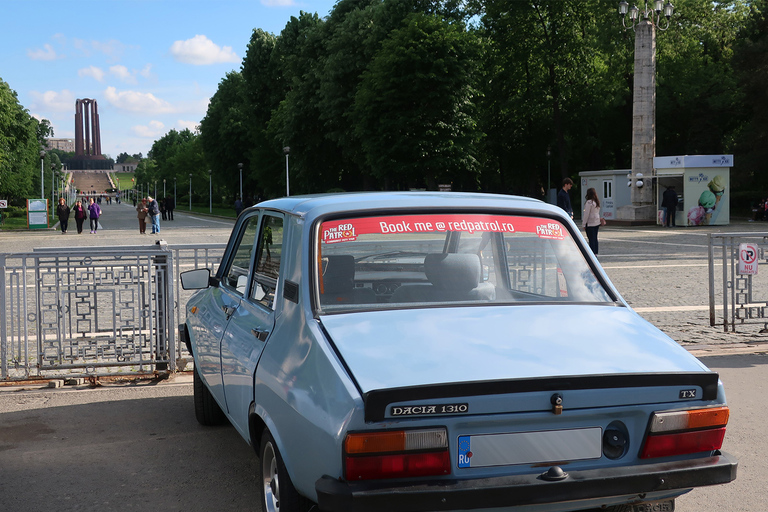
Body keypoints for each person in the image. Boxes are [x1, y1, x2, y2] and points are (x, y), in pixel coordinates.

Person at [582, 187, 603, 254]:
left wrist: (584, 223)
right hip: (597, 222)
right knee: (595, 238)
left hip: (590, 222)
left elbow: (586, 214)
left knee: (591, 239)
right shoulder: (596, 202)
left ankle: (592, 252)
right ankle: (596, 252)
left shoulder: (589, 202)